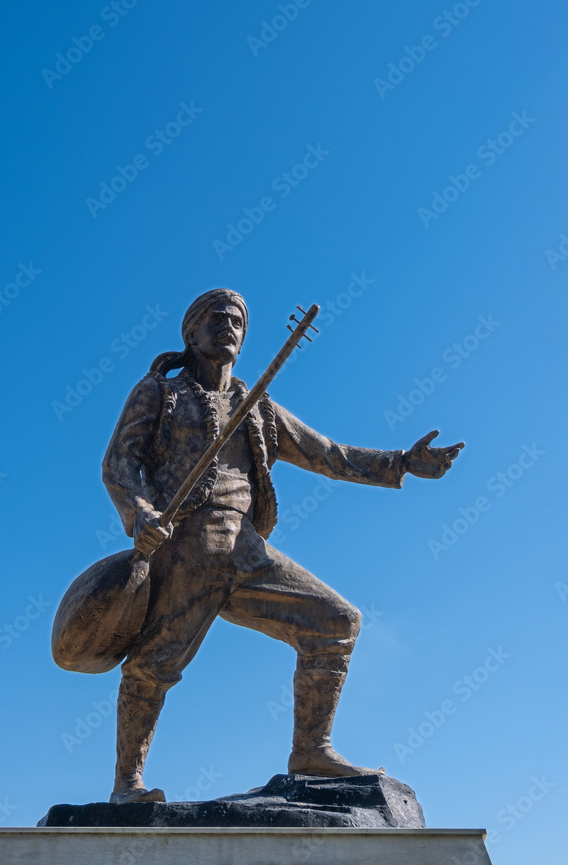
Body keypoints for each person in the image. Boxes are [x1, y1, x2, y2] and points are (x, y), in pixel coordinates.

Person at [102, 289, 464, 804]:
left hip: (245, 549)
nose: (229, 326)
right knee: (155, 663)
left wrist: (402, 462)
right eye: (217, 318)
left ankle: (311, 750)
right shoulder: (160, 392)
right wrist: (140, 515)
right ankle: (126, 785)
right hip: (185, 544)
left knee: (335, 623)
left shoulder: (257, 407)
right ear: (191, 333)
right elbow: (119, 463)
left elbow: (329, 454)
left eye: (238, 322)